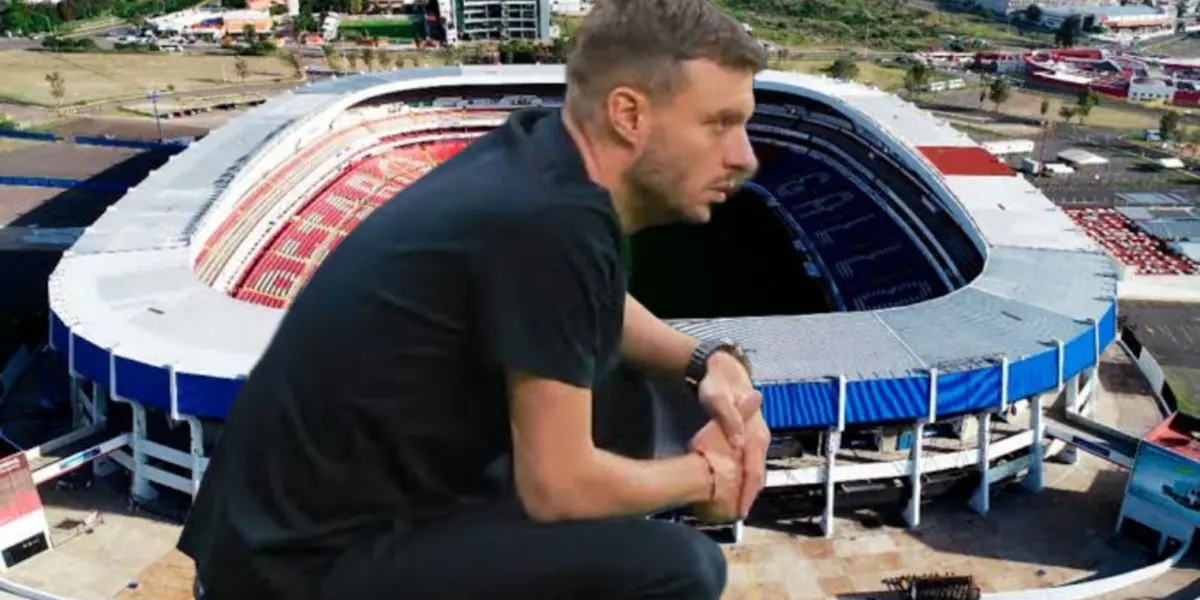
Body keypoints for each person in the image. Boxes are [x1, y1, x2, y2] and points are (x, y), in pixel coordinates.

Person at [178, 0, 770, 598]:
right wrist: (711, 476)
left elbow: (595, 304)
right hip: (297, 567)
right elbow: (558, 487)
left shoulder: (547, 160)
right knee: (680, 570)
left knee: (624, 399)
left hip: (290, 522)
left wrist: (708, 362)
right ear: (628, 115)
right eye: (718, 123)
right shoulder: (552, 222)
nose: (744, 156)